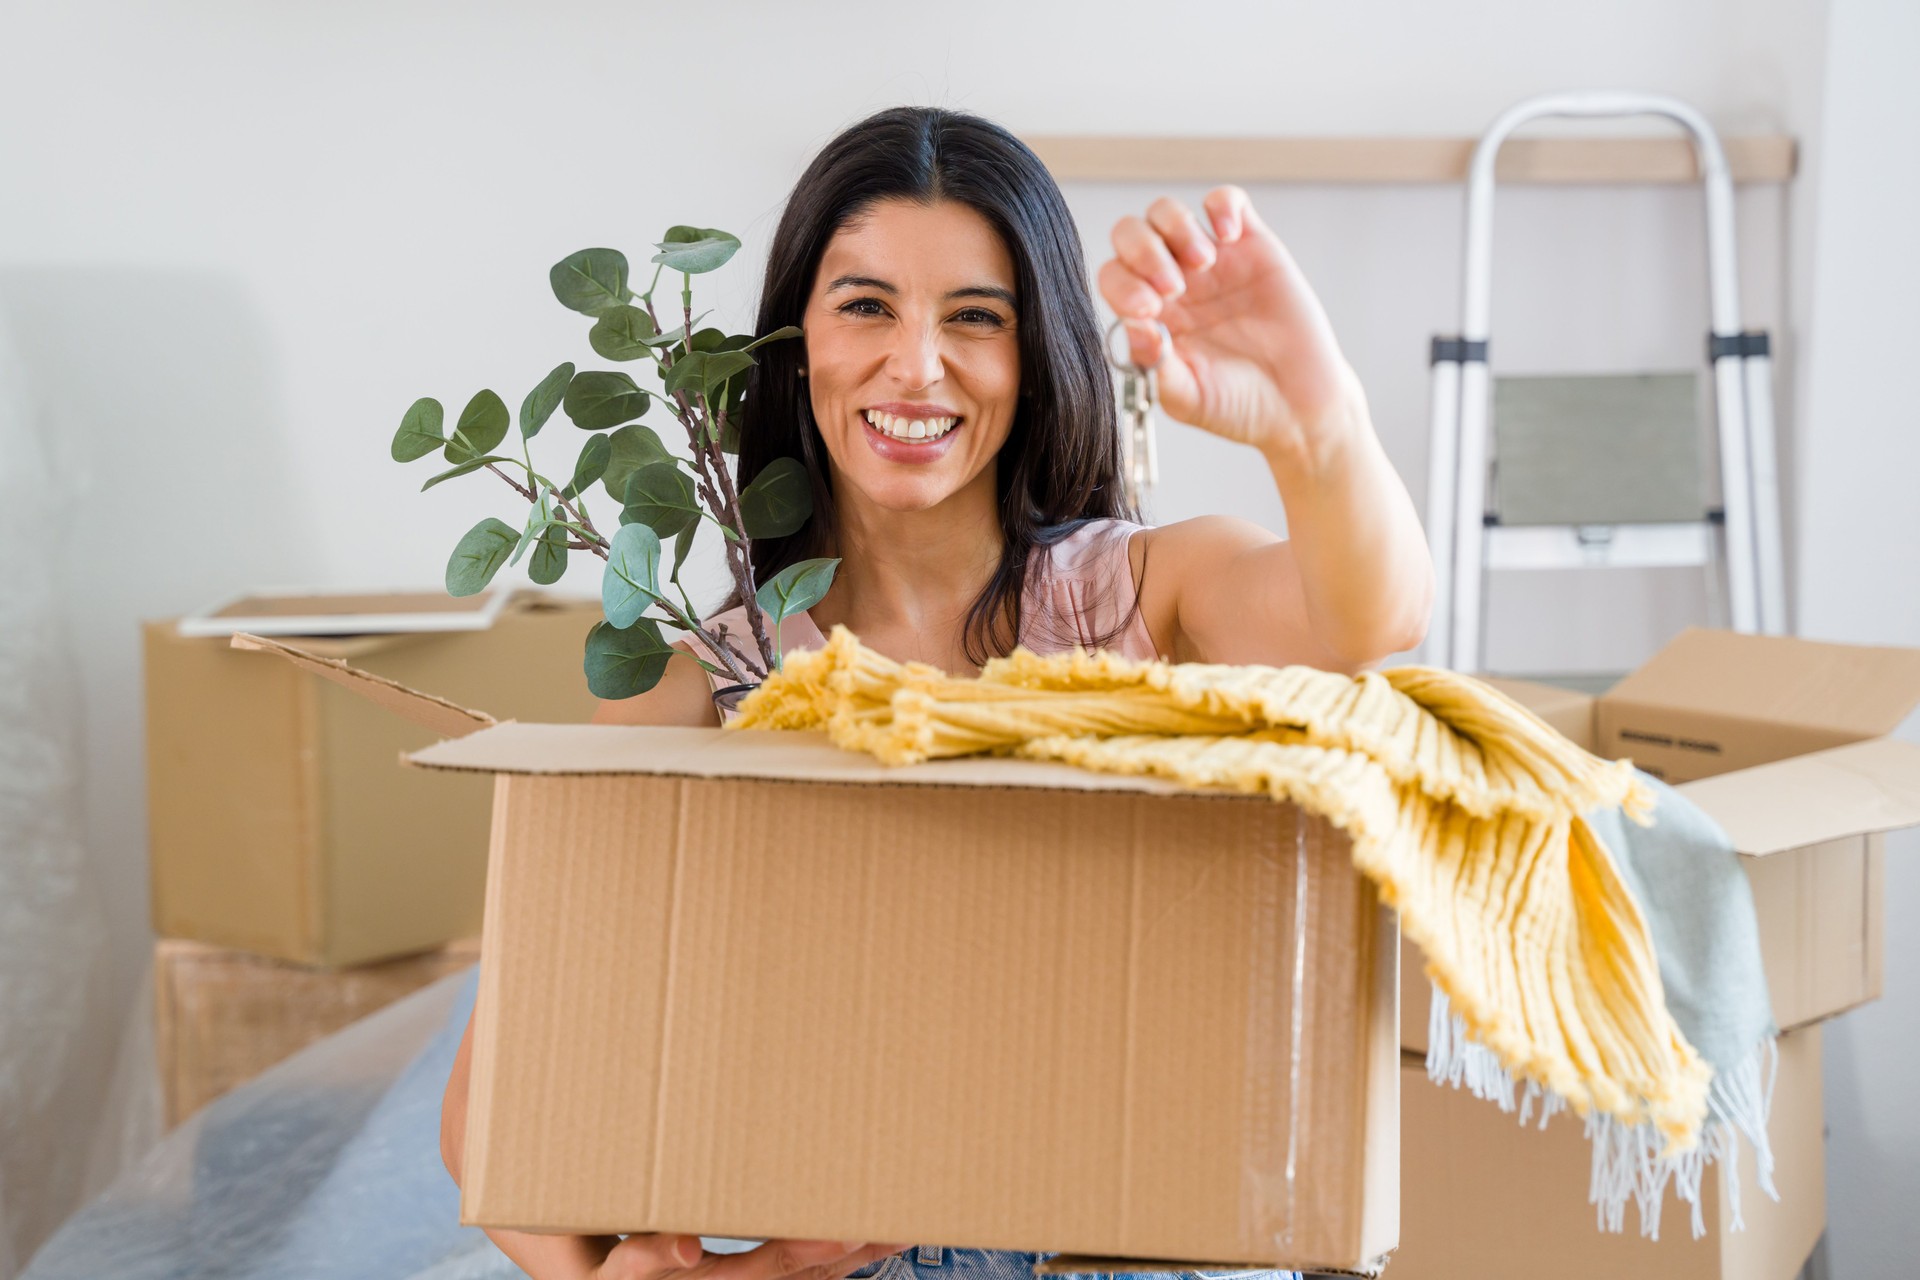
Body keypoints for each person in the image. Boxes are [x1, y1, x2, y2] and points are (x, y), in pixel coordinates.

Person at [441, 104, 1432, 1280]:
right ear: (795, 340)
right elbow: (490, 1098)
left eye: (977, 318)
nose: (917, 364)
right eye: (866, 306)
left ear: (1038, 350)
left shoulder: (1149, 595)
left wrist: (1316, 418)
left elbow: (1370, 622)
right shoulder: (706, 679)